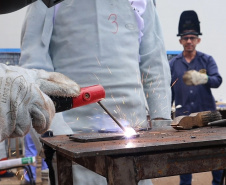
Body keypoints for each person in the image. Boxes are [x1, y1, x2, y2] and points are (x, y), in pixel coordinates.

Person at [19, 0, 172, 184]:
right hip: (73, 144)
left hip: (133, 142)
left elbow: (154, 62)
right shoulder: (45, 3)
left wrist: (161, 124)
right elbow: (35, 70)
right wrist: (58, 141)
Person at [170, 10, 223, 185]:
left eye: (192, 38)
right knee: (184, 160)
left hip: (209, 118)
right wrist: (165, 111)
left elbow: (218, 81)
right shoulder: (173, 64)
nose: (189, 41)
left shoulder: (207, 60)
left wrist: (204, 78)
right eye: (185, 38)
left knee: (216, 158)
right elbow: (168, 89)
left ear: (198, 40)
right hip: (184, 119)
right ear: (180, 41)